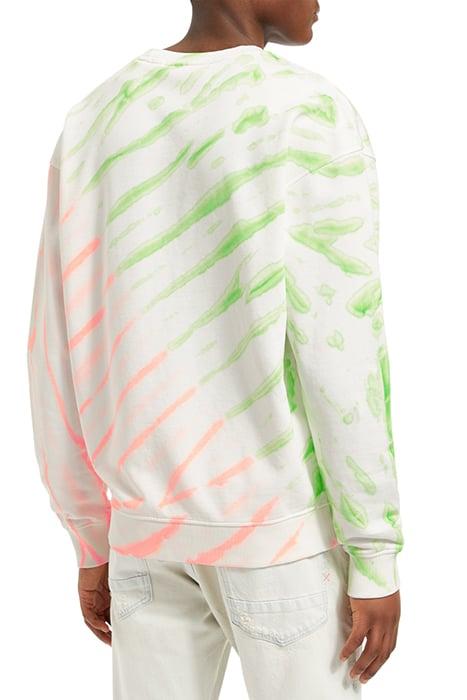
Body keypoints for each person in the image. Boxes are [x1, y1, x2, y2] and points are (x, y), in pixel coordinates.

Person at [26, 0, 403, 697]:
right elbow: (340, 345)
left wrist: (90, 533)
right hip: (275, 537)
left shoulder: (96, 117)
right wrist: (374, 551)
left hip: (143, 534)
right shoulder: (304, 111)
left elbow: (55, 338)